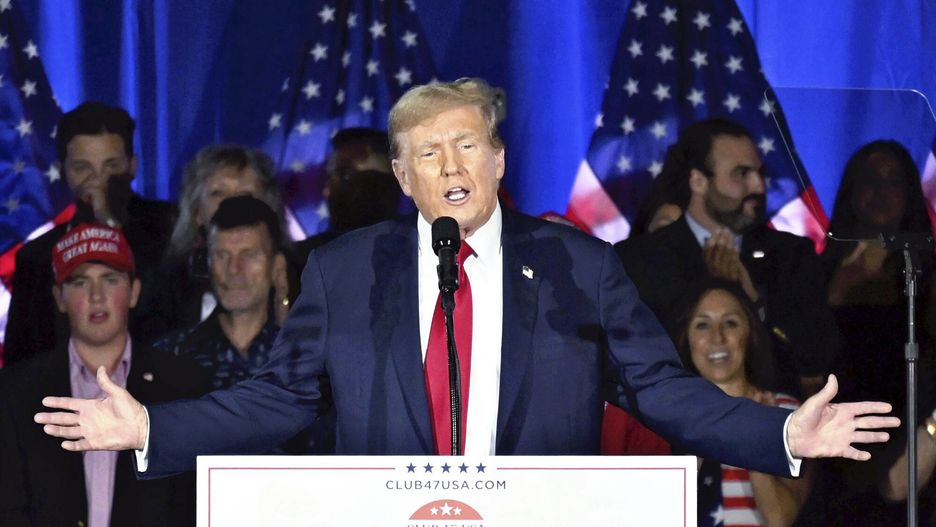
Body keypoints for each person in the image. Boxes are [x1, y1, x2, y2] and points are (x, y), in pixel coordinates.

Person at [34, 79, 897, 480]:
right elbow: (279, 398)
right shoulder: (340, 270)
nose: (450, 165)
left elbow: (665, 392)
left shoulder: (577, 263)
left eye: (466, 145)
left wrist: (778, 436)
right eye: (427, 154)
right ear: (404, 177)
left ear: (498, 159)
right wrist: (152, 424)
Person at [615, 118, 839, 398]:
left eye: (760, 173)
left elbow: (817, 358)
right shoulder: (638, 259)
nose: (758, 186)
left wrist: (752, 300)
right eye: (741, 174)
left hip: (772, 423)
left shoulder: (791, 255)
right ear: (698, 181)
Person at [0, 223, 204, 526]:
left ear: (133, 292)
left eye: (110, 280)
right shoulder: (15, 393)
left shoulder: (183, 386)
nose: (97, 296)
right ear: (60, 297)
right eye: (81, 282)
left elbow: (191, 506)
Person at [151, 195, 333, 453]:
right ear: (208, 263)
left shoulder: (308, 361)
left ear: (276, 266)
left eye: (249, 255)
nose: (234, 269)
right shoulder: (169, 356)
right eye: (222, 255)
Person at [4, 102, 176, 366]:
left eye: (111, 166)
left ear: (132, 166)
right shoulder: (36, 257)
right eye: (83, 168)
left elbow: (169, 314)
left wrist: (108, 223)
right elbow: (19, 362)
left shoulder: (170, 229)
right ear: (63, 170)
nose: (98, 180)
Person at [819, 140, 936, 525]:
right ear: (851, 191)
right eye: (870, 180)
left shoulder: (928, 274)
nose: (881, 192)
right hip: (831, 443)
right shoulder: (813, 273)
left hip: (912, 437)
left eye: (893, 182)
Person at [674, 280, 811, 527]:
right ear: (687, 337)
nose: (717, 337)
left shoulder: (785, 413)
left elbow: (779, 520)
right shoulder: (667, 416)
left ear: (749, 333)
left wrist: (755, 432)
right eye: (702, 325)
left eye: (730, 323)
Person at [135, 144, 292, 343]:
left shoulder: (299, 274)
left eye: (245, 195)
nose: (231, 203)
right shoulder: (166, 283)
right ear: (197, 211)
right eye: (218, 193)